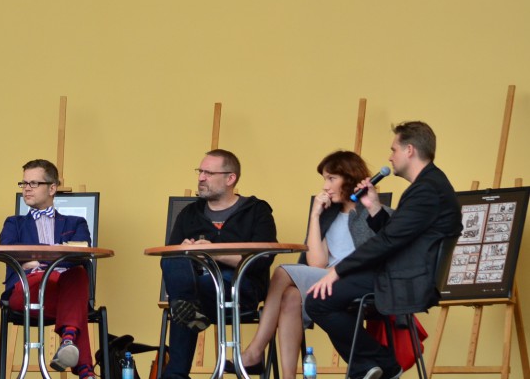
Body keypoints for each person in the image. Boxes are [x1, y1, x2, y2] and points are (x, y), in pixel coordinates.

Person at [306, 122, 462, 379]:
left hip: (404, 279)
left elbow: (388, 241)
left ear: (409, 150)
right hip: (400, 273)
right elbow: (397, 233)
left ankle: (383, 364)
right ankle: (369, 367)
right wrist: (374, 207)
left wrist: (338, 271)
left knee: (318, 300)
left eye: (394, 149)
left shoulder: (426, 190)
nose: (390, 157)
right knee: (323, 298)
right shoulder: (429, 185)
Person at [232, 151, 382, 378]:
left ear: (350, 177)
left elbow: (376, 258)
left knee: (282, 272)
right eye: (324, 179)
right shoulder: (329, 215)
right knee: (290, 296)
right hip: (326, 279)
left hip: (353, 282)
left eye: (331, 178)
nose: (325, 186)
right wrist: (315, 216)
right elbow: (316, 263)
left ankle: (254, 351)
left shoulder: (374, 213)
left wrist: (337, 270)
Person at [161, 149, 278, 379]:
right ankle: (191, 310)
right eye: (200, 171)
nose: (201, 177)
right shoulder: (189, 213)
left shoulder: (257, 211)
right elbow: (170, 261)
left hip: (239, 290)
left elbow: (262, 260)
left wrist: (212, 253)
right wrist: (185, 251)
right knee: (173, 259)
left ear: (230, 178)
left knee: (183, 301)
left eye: (208, 173)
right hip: (197, 288)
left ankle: (176, 373)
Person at [0, 159, 96, 379]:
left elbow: (81, 254)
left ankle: (69, 342)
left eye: (34, 183)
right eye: (24, 183)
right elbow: (9, 251)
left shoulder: (76, 223)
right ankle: (80, 363)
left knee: (78, 273)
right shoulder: (14, 223)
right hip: (26, 290)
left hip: (61, 290)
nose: (27, 188)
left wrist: (35, 259)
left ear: (52, 188)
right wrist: (58, 253)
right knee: (75, 297)